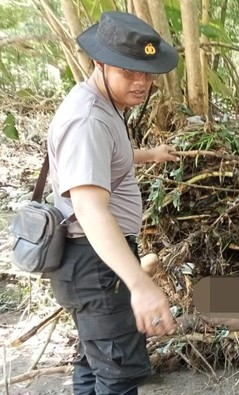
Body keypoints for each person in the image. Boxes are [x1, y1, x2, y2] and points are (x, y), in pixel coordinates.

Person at [45, 11, 181, 394]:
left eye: (147, 73)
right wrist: (138, 283)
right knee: (118, 376)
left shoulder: (103, 107)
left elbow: (106, 158)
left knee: (96, 366)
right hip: (96, 263)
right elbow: (89, 209)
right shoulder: (88, 118)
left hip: (94, 261)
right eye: (129, 72)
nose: (141, 83)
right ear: (100, 63)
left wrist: (150, 154)